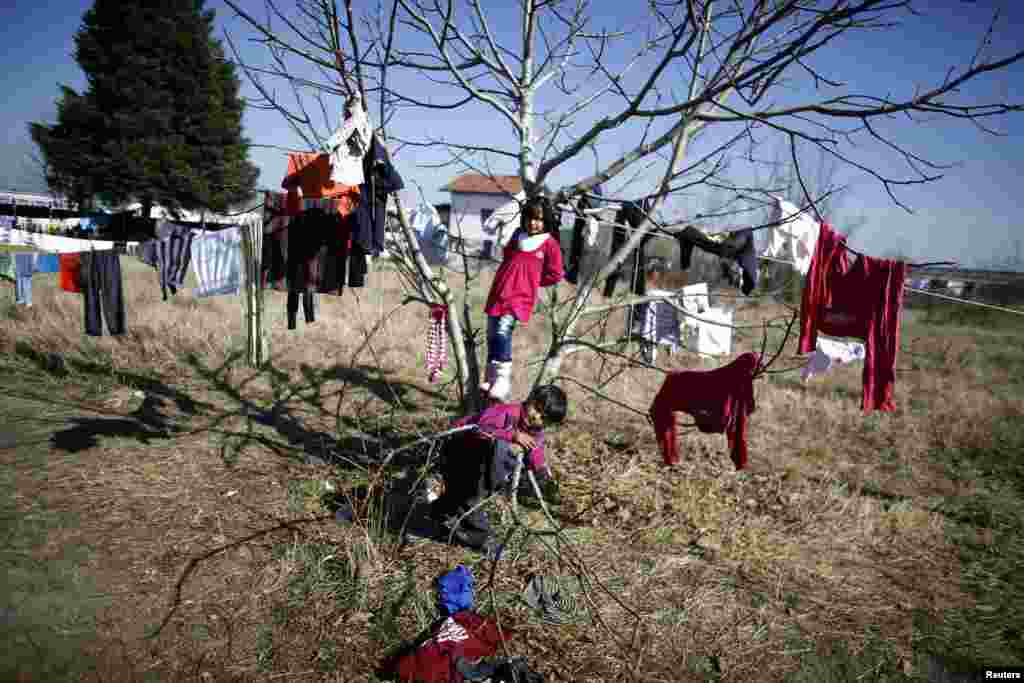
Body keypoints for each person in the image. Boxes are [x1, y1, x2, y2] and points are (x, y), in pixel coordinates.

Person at [430, 385, 568, 550]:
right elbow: (480, 428)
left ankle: (445, 515)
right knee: (499, 450)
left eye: (543, 418)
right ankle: (474, 531)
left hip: (477, 461)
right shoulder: (508, 412)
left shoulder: (535, 431)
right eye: (536, 409)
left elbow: (535, 451)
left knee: (463, 490)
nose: (536, 417)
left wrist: (543, 475)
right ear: (530, 398)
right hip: (457, 446)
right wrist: (514, 435)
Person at [480, 201, 564, 401]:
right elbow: (508, 255)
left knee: (503, 331)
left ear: (546, 222)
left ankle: (502, 378)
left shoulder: (549, 243)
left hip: (520, 297)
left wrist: (532, 281)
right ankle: (491, 377)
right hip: (500, 291)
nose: (534, 223)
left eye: (539, 220)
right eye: (531, 218)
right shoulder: (518, 235)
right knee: (492, 334)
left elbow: (555, 273)